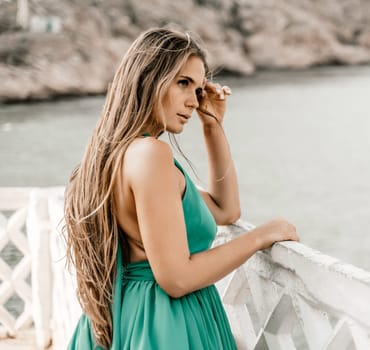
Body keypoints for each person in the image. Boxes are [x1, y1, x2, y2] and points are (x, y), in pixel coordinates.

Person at [63, 27, 299, 349]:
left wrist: (212, 126)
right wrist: (260, 236)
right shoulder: (151, 154)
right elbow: (176, 278)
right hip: (166, 322)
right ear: (148, 79)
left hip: (133, 312)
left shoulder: (114, 156)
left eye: (199, 88)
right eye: (183, 83)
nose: (193, 100)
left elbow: (224, 209)